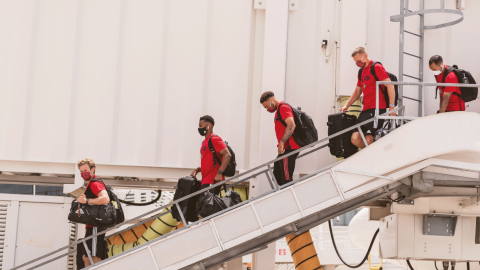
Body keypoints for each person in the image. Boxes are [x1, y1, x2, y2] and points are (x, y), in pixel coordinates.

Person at [340, 47, 396, 149]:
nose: (357, 63)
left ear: (365, 56)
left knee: (369, 139)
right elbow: (358, 91)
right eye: (355, 62)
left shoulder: (376, 67)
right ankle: (372, 155)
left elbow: (390, 85)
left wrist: (391, 106)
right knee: (355, 138)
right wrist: (346, 105)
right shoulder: (361, 71)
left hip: (377, 108)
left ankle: (369, 160)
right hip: (365, 109)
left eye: (358, 60)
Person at [260, 91, 300, 186]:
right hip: (284, 149)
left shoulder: (283, 107)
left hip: (288, 148)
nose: (267, 109)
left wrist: (282, 142)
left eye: (266, 106)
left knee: (286, 179)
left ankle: (289, 198)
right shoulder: (279, 109)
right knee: (277, 175)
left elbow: (291, 125)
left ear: (271, 100)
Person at [76, 158, 110, 266]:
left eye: (85, 170)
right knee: (86, 257)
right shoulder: (90, 184)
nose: (83, 173)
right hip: (92, 226)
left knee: (94, 258)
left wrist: (86, 200)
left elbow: (105, 199)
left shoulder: (95, 183)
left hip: (95, 226)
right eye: (81, 171)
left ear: (92, 169)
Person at [191, 115, 232, 193]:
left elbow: (227, 154)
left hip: (212, 180)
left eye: (200, 126)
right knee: (200, 204)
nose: (199, 128)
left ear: (208, 126)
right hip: (205, 181)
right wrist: (197, 170)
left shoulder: (214, 139)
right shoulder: (204, 142)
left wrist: (220, 173)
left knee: (206, 204)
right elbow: (209, 162)